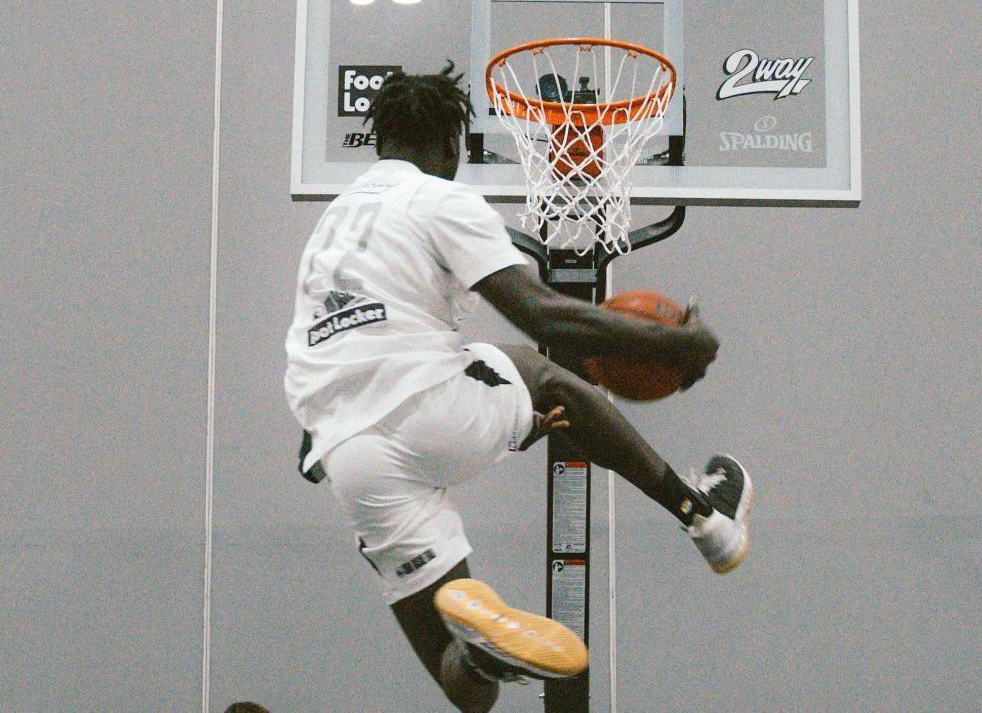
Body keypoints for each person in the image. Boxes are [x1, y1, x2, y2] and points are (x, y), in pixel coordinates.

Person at [284, 62, 753, 712]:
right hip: (426, 405)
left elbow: (324, 364)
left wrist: (504, 423)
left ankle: (478, 654)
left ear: (380, 139)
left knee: (467, 695)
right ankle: (706, 521)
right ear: (450, 146)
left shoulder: (331, 228)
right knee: (537, 369)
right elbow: (543, 314)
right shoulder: (439, 198)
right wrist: (676, 344)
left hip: (348, 454)